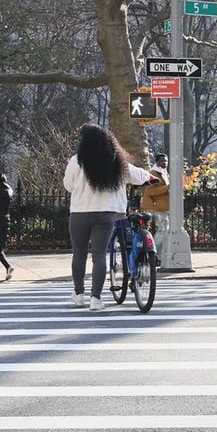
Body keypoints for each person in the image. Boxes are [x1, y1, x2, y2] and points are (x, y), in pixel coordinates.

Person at [63, 123, 152, 311]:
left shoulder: (76, 161)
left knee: (79, 255)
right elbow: (138, 175)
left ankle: (79, 294)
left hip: (79, 213)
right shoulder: (115, 161)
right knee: (99, 256)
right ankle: (96, 298)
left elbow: (68, 186)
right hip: (105, 214)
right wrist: (151, 177)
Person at [141, 152, 169, 264]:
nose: (164, 163)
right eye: (162, 160)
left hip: (163, 207)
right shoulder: (153, 173)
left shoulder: (164, 173)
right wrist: (166, 188)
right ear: (157, 162)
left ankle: (159, 257)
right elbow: (149, 190)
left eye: (165, 160)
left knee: (165, 231)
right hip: (155, 207)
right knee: (163, 230)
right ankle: (153, 252)